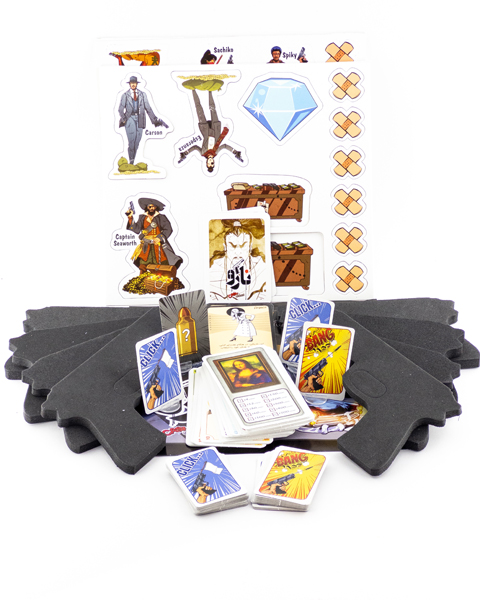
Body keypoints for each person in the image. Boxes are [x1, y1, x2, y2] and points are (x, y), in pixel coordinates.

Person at [178, 89, 243, 172]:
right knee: (213, 109)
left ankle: (193, 90)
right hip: (215, 129)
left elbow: (195, 147)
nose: (211, 162)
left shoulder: (203, 153)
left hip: (205, 129)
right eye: (213, 164)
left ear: (207, 163)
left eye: (209, 164)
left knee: (199, 109)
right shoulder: (216, 152)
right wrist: (235, 152)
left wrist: (185, 153)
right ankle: (210, 91)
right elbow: (225, 146)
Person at [209, 219, 267, 301]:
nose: (238, 251)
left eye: (243, 245)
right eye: (232, 246)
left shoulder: (260, 266)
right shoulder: (215, 268)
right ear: (225, 246)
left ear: (250, 246)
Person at [118, 76, 168, 164]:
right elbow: (120, 109)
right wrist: (124, 119)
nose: (133, 84)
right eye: (131, 83)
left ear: (137, 84)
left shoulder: (142, 94)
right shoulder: (125, 95)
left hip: (140, 119)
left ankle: (133, 159)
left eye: (134, 83)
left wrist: (155, 120)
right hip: (130, 119)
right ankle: (131, 161)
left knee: (137, 141)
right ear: (129, 84)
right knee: (131, 141)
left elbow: (148, 108)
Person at [126, 197, 183, 274]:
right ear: (147, 207)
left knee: (162, 264)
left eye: (153, 206)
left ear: (156, 207)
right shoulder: (142, 217)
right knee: (143, 264)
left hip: (158, 245)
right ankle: (142, 279)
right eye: (150, 206)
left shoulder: (161, 217)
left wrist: (159, 238)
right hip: (146, 245)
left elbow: (168, 229)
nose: (152, 208)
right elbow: (136, 229)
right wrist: (130, 217)